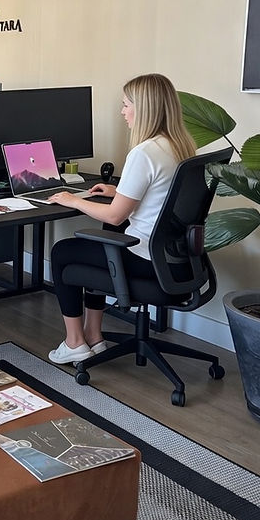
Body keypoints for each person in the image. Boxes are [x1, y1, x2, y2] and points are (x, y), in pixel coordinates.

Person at [44, 73, 197, 364]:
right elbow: (161, 194)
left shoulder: (144, 152)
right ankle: (95, 336)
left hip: (148, 261)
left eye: (126, 105)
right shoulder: (180, 146)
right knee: (102, 233)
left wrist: (73, 199)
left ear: (144, 108)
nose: (122, 111)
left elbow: (115, 216)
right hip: (177, 260)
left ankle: (75, 342)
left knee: (62, 252)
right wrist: (119, 190)